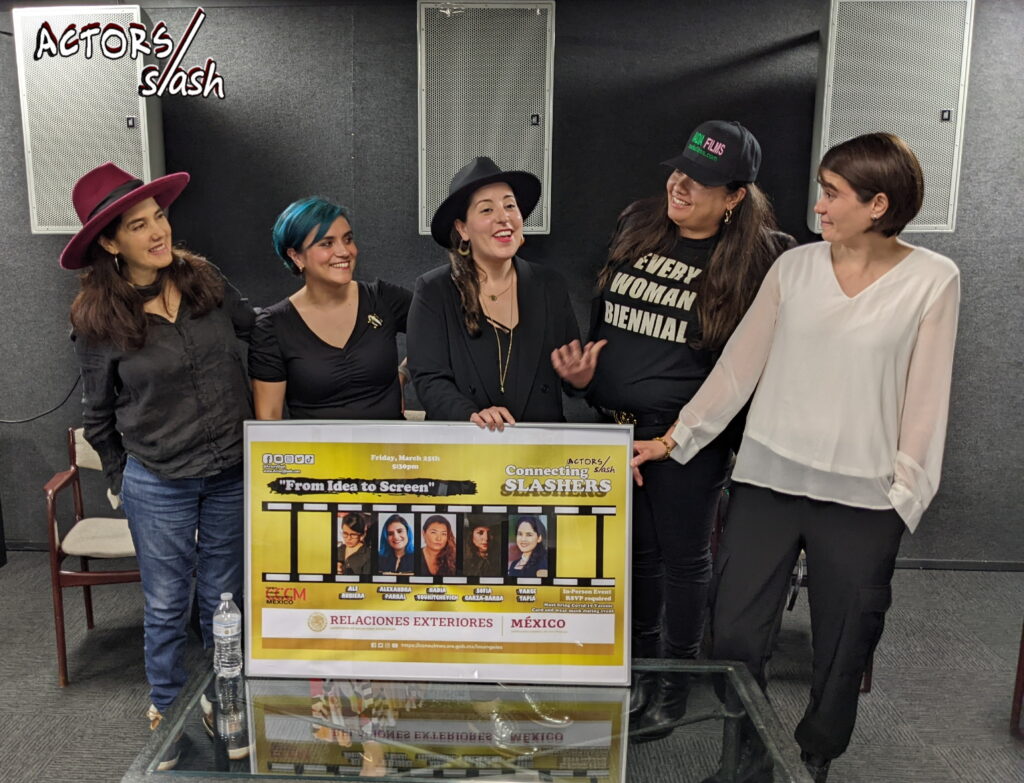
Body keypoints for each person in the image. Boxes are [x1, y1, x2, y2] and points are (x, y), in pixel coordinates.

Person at [633, 133, 959, 782]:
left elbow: (928, 395)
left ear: (878, 204)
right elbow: (739, 367)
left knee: (844, 644)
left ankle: (814, 756)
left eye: (833, 193)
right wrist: (675, 438)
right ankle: (747, 757)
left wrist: (905, 495)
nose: (819, 205)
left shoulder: (932, 279)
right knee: (733, 633)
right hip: (769, 481)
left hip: (865, 497)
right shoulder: (794, 267)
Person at [551, 120, 794, 737]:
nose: (679, 185)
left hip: (685, 438)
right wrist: (583, 382)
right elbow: (609, 326)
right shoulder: (640, 223)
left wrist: (684, 433)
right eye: (679, 170)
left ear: (734, 195)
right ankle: (642, 670)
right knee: (637, 557)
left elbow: (748, 364)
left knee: (684, 561)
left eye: (701, 180)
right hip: (615, 430)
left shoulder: (759, 259)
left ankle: (674, 686)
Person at [62, 162, 254, 770]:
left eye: (160, 216)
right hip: (160, 480)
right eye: (139, 225)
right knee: (168, 604)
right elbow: (98, 415)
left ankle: (223, 700)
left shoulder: (203, 280)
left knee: (224, 602)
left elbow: (261, 332)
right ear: (110, 244)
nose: (158, 232)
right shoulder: (97, 318)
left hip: (229, 472)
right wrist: (122, 482)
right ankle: (168, 708)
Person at [408, 157, 580, 429]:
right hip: (468, 445)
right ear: (463, 228)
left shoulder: (551, 285)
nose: (504, 217)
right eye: (487, 209)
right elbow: (429, 380)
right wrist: (471, 415)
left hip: (541, 447)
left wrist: (580, 379)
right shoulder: (434, 290)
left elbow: (572, 374)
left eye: (510, 205)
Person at [249, 196, 411, 420]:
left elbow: (443, 332)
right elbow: (269, 418)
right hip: (317, 444)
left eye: (348, 239)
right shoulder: (272, 326)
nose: (344, 251)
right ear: (296, 256)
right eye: (327, 243)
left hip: (390, 442)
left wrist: (403, 373)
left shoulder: (383, 298)